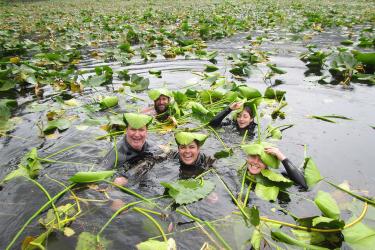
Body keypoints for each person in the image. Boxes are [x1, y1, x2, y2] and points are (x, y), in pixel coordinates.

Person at [101, 113, 155, 185]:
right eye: (133, 129)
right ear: (126, 131)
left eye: (141, 130)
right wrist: (114, 182)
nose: (137, 134)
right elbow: (100, 179)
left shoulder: (149, 146)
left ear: (146, 132)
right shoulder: (117, 154)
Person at [242, 143, 307, 189]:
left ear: (267, 164)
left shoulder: (277, 176)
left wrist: (281, 157)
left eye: (261, 160)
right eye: (253, 156)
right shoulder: (238, 170)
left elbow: (303, 185)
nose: (255, 162)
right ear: (247, 157)